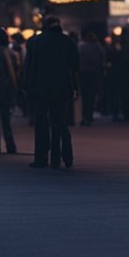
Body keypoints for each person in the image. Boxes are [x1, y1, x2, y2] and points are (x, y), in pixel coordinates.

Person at [24, 16, 80, 169]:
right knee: (60, 122)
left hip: (40, 88)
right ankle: (60, 157)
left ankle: (41, 158)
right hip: (62, 88)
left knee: (41, 122)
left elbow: (28, 67)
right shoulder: (68, 42)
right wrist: (75, 88)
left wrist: (25, 87)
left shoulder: (35, 42)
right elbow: (75, 67)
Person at [77, 30, 106, 126]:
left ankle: (85, 116)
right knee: (90, 96)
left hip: (84, 73)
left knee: (86, 96)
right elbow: (102, 57)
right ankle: (88, 116)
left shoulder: (81, 47)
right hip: (92, 73)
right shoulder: (95, 47)